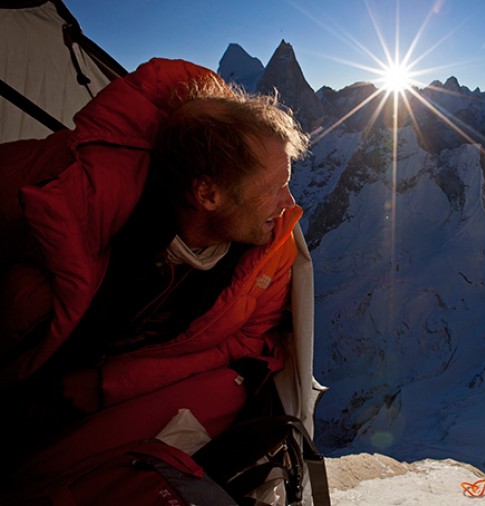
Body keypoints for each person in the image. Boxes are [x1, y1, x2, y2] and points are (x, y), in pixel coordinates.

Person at [0, 58, 315, 483]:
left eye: (287, 184)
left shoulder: (271, 251)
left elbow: (248, 342)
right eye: (273, 189)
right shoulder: (68, 194)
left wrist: (108, 383)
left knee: (226, 392)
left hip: (112, 392)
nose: (288, 207)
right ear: (207, 193)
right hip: (25, 374)